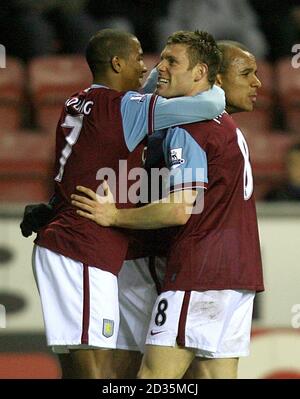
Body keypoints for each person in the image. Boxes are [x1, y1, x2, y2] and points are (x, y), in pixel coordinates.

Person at [26, 28, 225, 379]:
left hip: (69, 241)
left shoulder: (78, 100)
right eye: (137, 59)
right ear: (117, 62)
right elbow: (211, 103)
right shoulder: (124, 109)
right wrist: (206, 77)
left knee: (83, 365)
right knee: (98, 369)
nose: (146, 67)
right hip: (82, 246)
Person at [71, 37, 264, 379]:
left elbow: (178, 208)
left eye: (172, 62)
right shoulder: (227, 127)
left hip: (199, 272)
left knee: (153, 378)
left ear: (203, 73)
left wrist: (114, 215)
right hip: (239, 274)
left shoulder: (188, 128)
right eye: (161, 60)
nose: (159, 68)